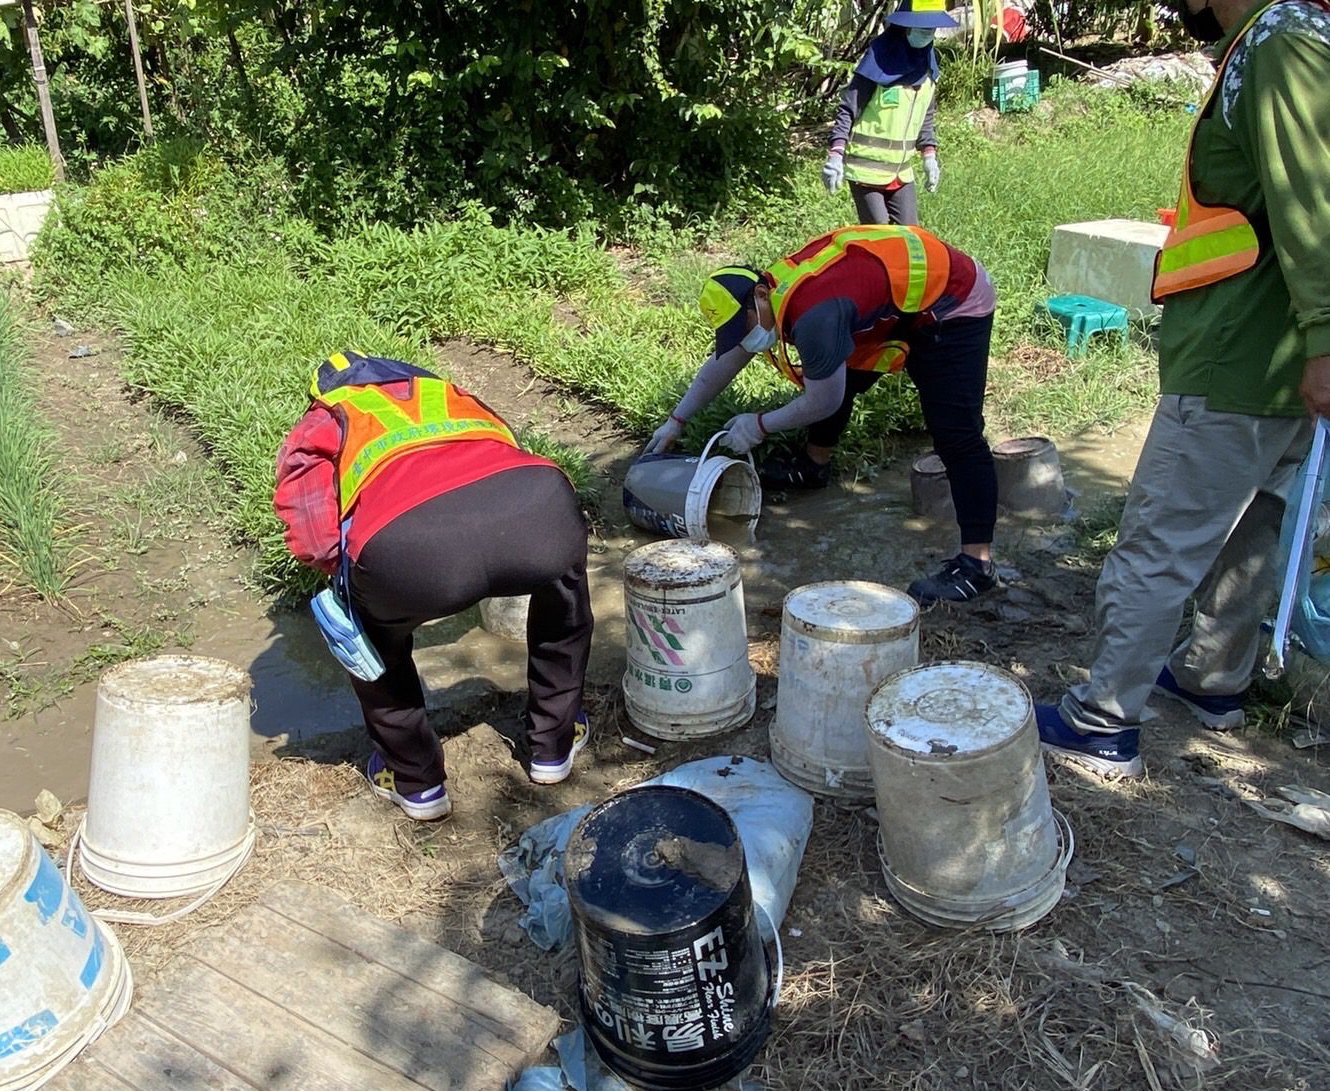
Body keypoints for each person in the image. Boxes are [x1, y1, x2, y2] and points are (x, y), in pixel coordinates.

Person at [1034, 0, 1330, 778]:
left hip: (1244, 352)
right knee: (1262, 518)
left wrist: (1326, 335)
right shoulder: (1297, 35)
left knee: (1160, 539)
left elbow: (1312, 203)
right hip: (1281, 360)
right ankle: (1211, 678)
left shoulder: (1281, 37)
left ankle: (1102, 720)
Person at [274, 352, 594, 820]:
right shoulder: (448, 393)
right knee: (564, 595)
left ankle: (416, 783)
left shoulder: (327, 418)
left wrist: (360, 580)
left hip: (406, 546)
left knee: (374, 641)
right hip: (538, 510)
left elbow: (313, 537)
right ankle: (554, 746)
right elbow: (503, 456)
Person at [646, 225, 1001, 607]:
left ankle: (977, 565)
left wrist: (758, 425)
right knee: (834, 368)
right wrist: (676, 421)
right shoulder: (770, 297)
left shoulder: (815, 317)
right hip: (897, 304)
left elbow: (823, 400)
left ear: (760, 296)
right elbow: (727, 359)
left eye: (743, 326)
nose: (744, 338)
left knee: (957, 435)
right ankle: (814, 465)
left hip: (955, 301)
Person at [821, 0, 958, 224]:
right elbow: (848, 109)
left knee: (910, 238)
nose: (927, 35)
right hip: (866, 171)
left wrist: (929, 155)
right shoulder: (878, 61)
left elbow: (926, 116)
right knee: (881, 239)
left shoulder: (928, 66)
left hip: (901, 172)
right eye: (923, 30)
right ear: (906, 28)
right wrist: (836, 155)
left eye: (931, 30)